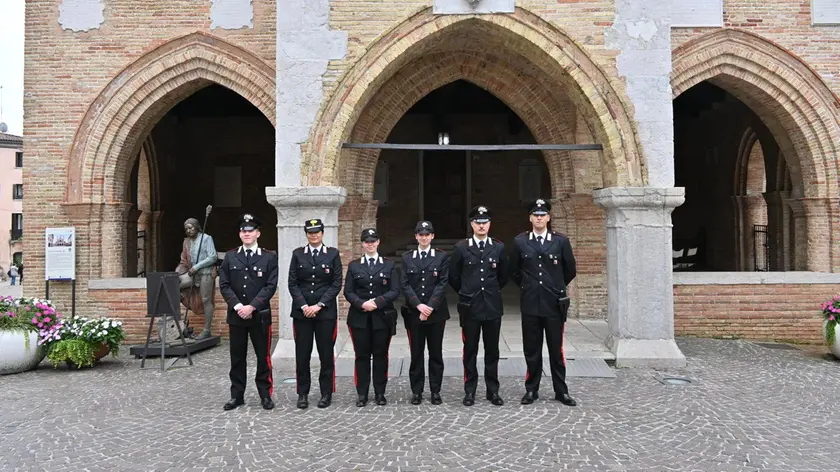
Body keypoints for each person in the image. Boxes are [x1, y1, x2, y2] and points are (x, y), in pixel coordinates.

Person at [510, 198, 577, 407]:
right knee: (532, 349)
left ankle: (561, 390)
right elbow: (514, 269)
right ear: (530, 218)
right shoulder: (521, 241)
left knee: (556, 350)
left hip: (554, 303)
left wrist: (555, 286)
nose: (539, 218)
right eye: (535, 215)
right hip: (530, 302)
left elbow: (570, 269)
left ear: (548, 217)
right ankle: (531, 390)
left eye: (543, 215)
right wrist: (529, 286)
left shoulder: (560, 241)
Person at [218, 213, 279, 411]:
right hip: (237, 316)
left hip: (259, 315)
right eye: (243, 231)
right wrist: (238, 306)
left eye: (250, 231)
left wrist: (252, 306)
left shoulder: (269, 257)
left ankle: (265, 395)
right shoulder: (231, 256)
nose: (247, 234)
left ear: (258, 233)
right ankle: (237, 395)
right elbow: (225, 284)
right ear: (240, 234)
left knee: (263, 357)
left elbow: (270, 286)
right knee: (237, 358)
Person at [449, 205, 508, 406]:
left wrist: (488, 292)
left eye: (485, 222)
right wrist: (467, 292)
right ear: (472, 224)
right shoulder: (461, 248)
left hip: (492, 306)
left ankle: (493, 391)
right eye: (477, 222)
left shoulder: (498, 247)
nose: (481, 226)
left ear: (489, 224)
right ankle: (470, 391)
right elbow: (454, 277)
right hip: (470, 306)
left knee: (492, 350)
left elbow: (503, 276)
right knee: (470, 350)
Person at [288, 218, 343, 409]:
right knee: (302, 355)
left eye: (317, 232)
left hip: (325, 313)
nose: (314, 235)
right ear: (306, 234)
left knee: (326, 355)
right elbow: (292, 283)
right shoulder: (297, 254)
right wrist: (304, 306)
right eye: (310, 232)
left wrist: (319, 305)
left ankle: (326, 393)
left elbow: (336, 283)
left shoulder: (333, 254)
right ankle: (302, 393)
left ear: (322, 233)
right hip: (302, 313)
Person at [344, 228, 400, 407]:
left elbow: (394, 290)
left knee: (381, 356)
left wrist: (377, 302)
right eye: (367, 241)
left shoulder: (388, 265)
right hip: (359, 318)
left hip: (381, 317)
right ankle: (362, 393)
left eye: (373, 241)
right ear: (362, 244)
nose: (370, 244)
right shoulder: (354, 265)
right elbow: (348, 291)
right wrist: (361, 304)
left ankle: (380, 393)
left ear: (378, 242)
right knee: (361, 356)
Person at [400, 220, 450, 405]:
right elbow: (405, 284)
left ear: (432, 236)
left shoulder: (441, 257)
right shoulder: (407, 258)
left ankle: (435, 390)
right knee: (416, 353)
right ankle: (417, 391)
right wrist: (418, 306)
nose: (423, 237)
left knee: (436, 353)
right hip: (414, 313)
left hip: (436, 313)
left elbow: (443, 283)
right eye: (420, 234)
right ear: (416, 237)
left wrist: (429, 306)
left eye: (427, 234)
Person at [176, 218, 218, 339]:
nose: (189, 230)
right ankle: (177, 324)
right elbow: (183, 260)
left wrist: (197, 266)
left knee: (206, 299)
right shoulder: (186, 242)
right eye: (186, 229)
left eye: (191, 227)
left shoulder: (206, 238)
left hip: (206, 273)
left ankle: (206, 330)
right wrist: (178, 273)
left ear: (197, 227)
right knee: (173, 286)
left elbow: (213, 257)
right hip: (192, 275)